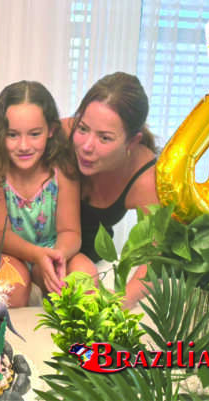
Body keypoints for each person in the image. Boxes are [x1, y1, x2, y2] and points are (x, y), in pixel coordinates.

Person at [0, 81, 97, 308]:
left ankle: (67, 326)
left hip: (52, 248)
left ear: (51, 130)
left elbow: (70, 231)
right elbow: (1, 235)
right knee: (14, 285)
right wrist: (37, 256)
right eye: (12, 135)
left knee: (84, 276)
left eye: (34, 134)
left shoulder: (64, 168)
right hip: (5, 250)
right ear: (0, 132)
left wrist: (57, 257)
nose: (24, 146)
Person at [64, 72, 160, 308]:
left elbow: (156, 255)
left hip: (86, 258)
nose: (87, 146)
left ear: (132, 142)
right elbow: (3, 152)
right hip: (40, 246)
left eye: (104, 138)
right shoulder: (61, 134)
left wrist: (122, 300)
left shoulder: (145, 178)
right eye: (83, 128)